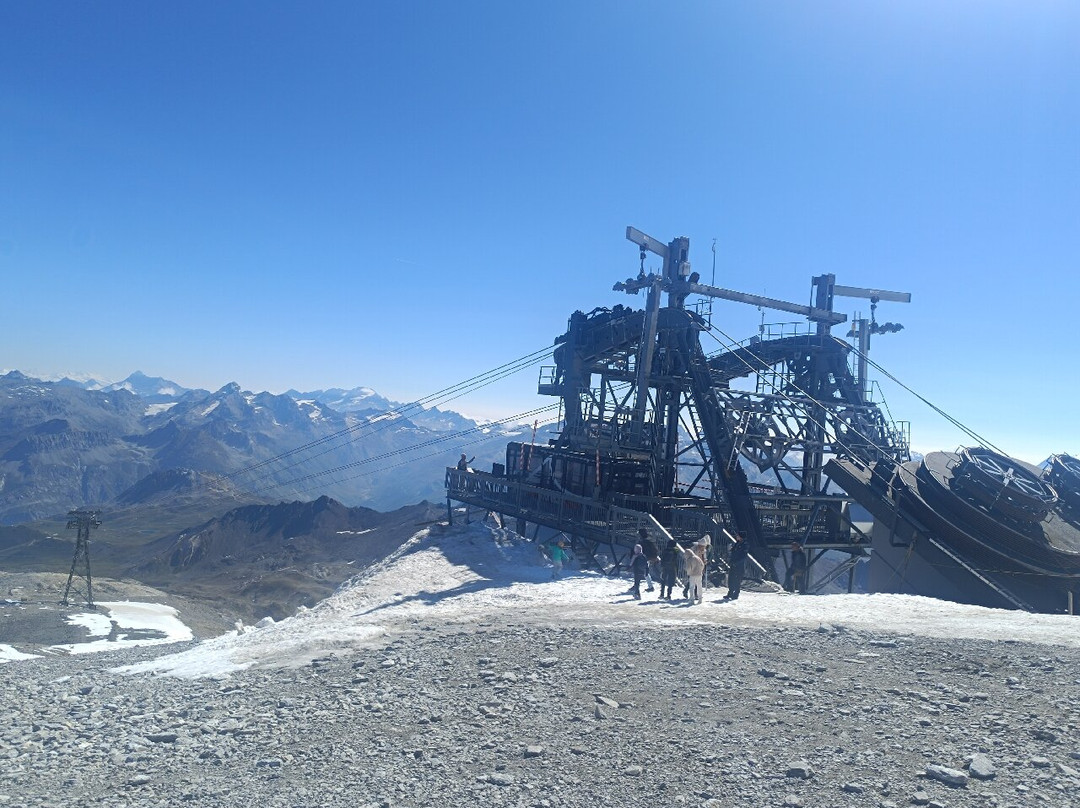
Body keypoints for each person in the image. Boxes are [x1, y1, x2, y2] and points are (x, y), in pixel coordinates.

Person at [676, 540, 707, 604]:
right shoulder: (696, 553)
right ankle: (699, 598)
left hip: (693, 573)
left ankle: (692, 598)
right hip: (699, 572)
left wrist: (689, 572)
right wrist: (701, 569)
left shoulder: (690, 558)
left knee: (692, 586)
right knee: (699, 586)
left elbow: (688, 568)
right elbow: (702, 564)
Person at [724, 533, 749, 601]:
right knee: (731, 579)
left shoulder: (745, 545)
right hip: (733, 564)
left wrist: (737, 563)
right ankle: (730, 592)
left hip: (739, 565)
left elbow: (743, 556)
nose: (736, 537)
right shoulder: (737, 543)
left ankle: (736, 594)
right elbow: (734, 552)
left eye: (738, 536)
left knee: (737, 580)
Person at [637, 528, 660, 593]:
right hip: (649, 558)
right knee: (645, 573)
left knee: (641, 572)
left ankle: (638, 585)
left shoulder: (643, 541)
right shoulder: (650, 540)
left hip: (645, 558)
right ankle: (650, 586)